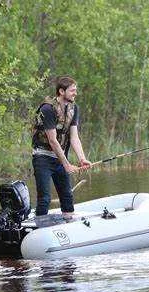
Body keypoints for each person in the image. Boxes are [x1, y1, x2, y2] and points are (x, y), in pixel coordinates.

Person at [32, 76, 91, 222]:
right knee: (44, 198)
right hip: (42, 158)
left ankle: (69, 222)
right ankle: (40, 227)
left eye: (75, 90)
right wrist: (66, 164)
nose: (75, 93)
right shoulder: (47, 109)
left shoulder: (74, 108)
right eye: (72, 91)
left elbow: (74, 137)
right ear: (61, 91)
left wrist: (81, 158)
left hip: (60, 158)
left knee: (66, 196)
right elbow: (52, 140)